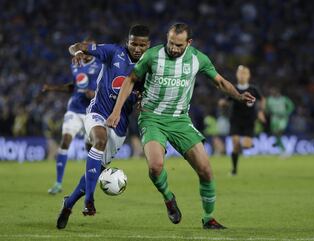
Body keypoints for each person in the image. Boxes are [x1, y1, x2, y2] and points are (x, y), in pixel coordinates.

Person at [106, 23, 256, 229]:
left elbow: (220, 82)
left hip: (180, 120)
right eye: (170, 43)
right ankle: (168, 197)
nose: (173, 48)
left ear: (189, 43)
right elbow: (131, 79)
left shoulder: (197, 59)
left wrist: (238, 96)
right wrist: (116, 111)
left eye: (178, 45)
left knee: (205, 170)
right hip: (152, 119)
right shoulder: (152, 55)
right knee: (155, 166)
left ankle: (208, 218)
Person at [56, 25, 150, 229]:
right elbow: (76, 46)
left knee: (96, 170)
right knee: (99, 139)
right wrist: (79, 51)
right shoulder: (113, 51)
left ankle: (69, 203)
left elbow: (144, 95)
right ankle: (90, 199)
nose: (137, 48)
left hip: (120, 125)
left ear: (148, 45)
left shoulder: (149, 66)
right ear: (128, 41)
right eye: (133, 43)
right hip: (98, 110)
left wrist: (143, 101)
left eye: (142, 45)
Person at [44, 40, 101, 195]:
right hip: (74, 109)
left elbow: (107, 87)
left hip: (91, 112)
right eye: (84, 46)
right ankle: (58, 183)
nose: (87, 49)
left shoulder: (101, 63)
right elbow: (73, 86)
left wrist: (95, 94)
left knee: (91, 148)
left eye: (90, 47)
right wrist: (53, 88)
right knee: (65, 140)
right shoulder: (76, 62)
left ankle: (93, 179)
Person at [218, 65, 265, 175]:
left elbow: (262, 99)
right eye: (240, 73)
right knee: (235, 144)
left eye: (244, 73)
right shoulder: (234, 89)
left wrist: (261, 111)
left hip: (249, 121)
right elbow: (226, 101)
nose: (242, 75)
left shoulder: (253, 89)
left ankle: (249, 144)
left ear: (248, 75)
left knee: (246, 146)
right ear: (237, 75)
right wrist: (222, 103)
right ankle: (234, 170)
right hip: (236, 120)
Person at [265, 87, 294, 153]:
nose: (272, 93)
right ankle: (280, 146)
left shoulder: (284, 99)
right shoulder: (269, 100)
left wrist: (286, 113)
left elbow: (291, 106)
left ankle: (281, 148)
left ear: (277, 92)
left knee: (279, 132)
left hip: (282, 119)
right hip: (274, 119)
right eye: (271, 92)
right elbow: (266, 109)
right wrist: (268, 112)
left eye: (273, 92)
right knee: (276, 134)